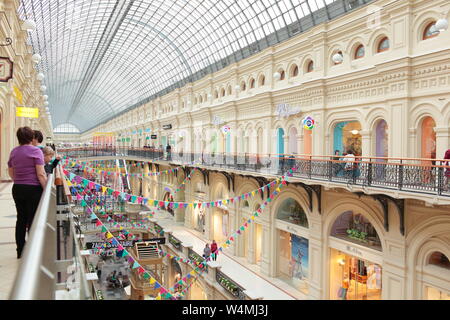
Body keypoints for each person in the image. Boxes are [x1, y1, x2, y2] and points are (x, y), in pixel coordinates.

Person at [8, 127, 47, 258]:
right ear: (31, 138)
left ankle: (20, 250)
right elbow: (41, 174)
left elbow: (11, 171)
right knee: (32, 219)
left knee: (21, 219)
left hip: (17, 188)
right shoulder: (36, 151)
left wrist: (19, 180)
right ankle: (32, 251)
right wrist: (47, 189)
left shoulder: (14, 151)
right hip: (33, 189)